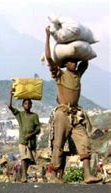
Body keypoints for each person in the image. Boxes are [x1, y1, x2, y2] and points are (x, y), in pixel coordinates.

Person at [45, 27, 101, 184]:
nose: (74, 63)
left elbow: (86, 61)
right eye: (71, 61)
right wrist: (48, 36)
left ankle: (88, 175)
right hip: (62, 114)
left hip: (76, 115)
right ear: (64, 63)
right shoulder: (59, 75)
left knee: (84, 142)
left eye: (75, 61)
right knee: (58, 144)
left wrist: (81, 43)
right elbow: (49, 57)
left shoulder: (78, 75)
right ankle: (54, 175)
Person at [7, 91, 41, 183]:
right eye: (25, 103)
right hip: (23, 140)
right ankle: (24, 176)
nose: (27, 105)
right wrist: (11, 96)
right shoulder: (20, 115)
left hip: (31, 141)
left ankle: (23, 174)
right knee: (24, 157)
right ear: (23, 105)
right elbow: (10, 107)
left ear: (31, 105)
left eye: (29, 103)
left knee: (29, 160)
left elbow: (38, 129)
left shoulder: (35, 116)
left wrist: (31, 134)